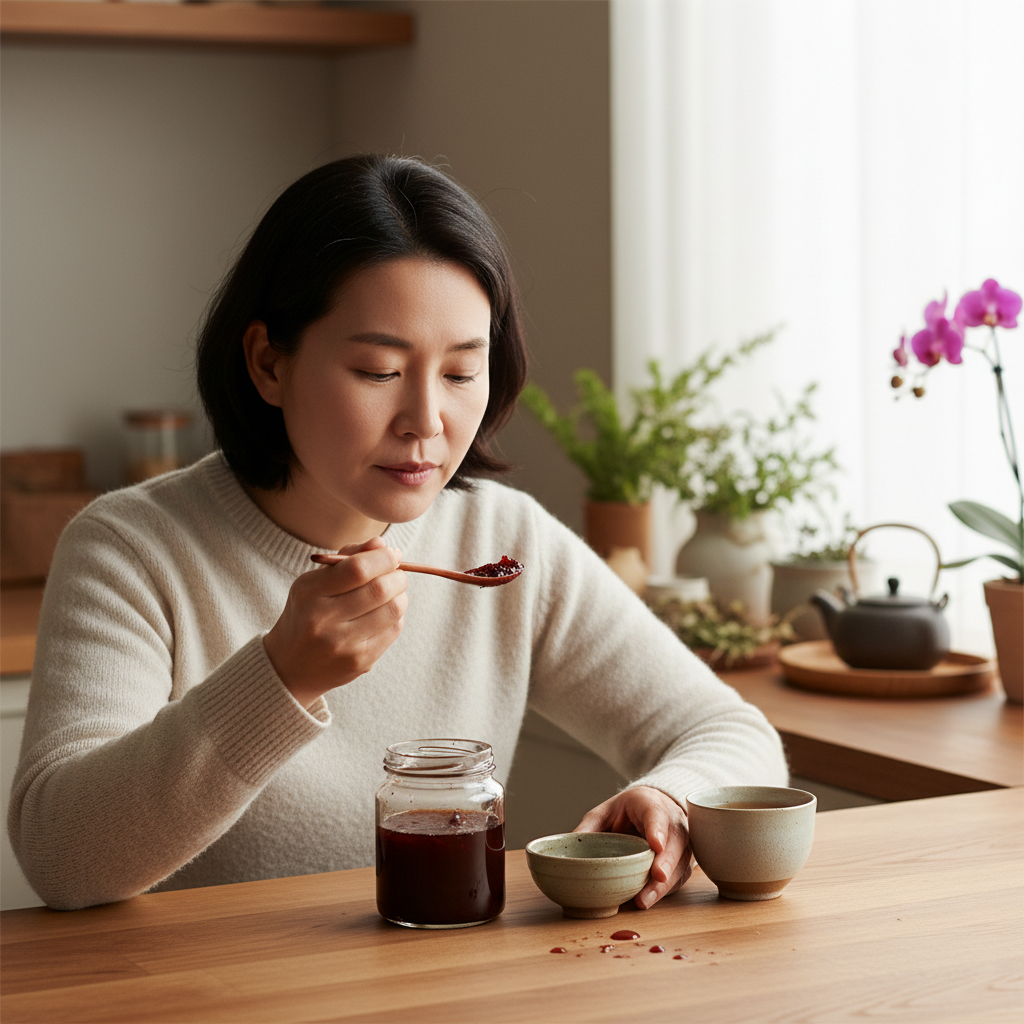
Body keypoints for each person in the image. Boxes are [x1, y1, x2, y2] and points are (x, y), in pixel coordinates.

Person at [8, 155, 787, 912]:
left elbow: (726, 730)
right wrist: (280, 677)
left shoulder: (500, 541)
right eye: (380, 371)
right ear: (267, 362)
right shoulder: (131, 550)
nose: (426, 422)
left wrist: (670, 798)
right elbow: (61, 856)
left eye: (459, 373)